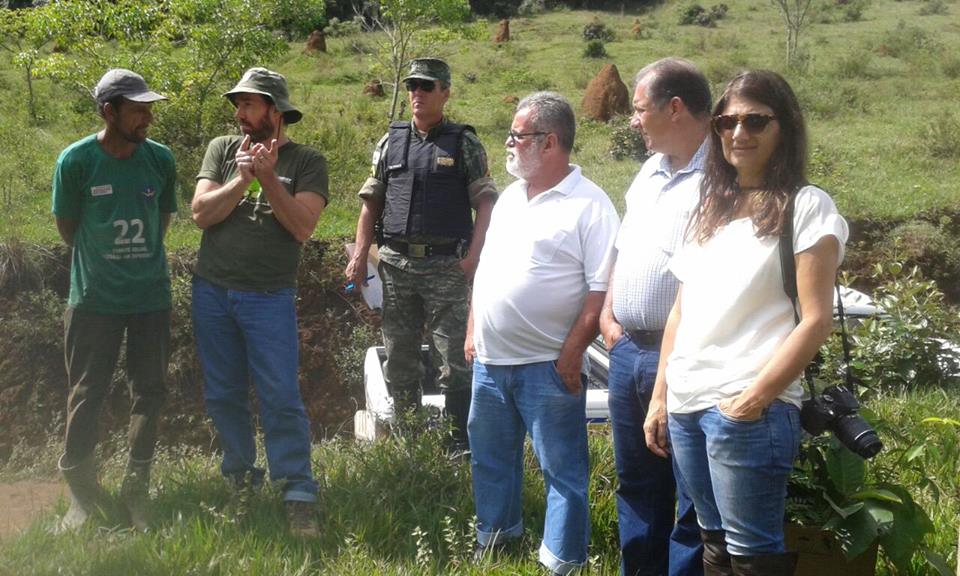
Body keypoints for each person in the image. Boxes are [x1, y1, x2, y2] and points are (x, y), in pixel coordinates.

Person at [644, 70, 848, 576]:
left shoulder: (806, 206)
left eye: (756, 120)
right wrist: (661, 396)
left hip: (746, 409)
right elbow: (680, 311)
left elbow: (816, 320)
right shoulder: (710, 208)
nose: (739, 133)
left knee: (753, 555)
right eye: (727, 121)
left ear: (785, 127)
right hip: (690, 406)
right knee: (712, 545)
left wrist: (752, 400)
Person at [467, 92, 619, 575]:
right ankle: (496, 540)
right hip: (491, 361)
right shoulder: (511, 198)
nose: (508, 143)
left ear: (549, 142)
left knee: (562, 471)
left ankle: (562, 562)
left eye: (517, 135)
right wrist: (474, 329)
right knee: (491, 458)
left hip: (548, 365)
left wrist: (572, 353)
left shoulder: (590, 205)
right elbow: (485, 270)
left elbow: (601, 290)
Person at [190, 67, 328, 537]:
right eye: (238, 103)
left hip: (269, 297)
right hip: (212, 292)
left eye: (249, 103)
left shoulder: (307, 162)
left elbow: (303, 228)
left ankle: (297, 492)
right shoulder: (223, 150)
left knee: (280, 396)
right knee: (224, 393)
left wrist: (270, 180)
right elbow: (200, 214)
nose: (239, 112)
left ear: (275, 110)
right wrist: (242, 180)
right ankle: (240, 482)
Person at [345, 57, 496, 450]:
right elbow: (370, 203)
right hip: (396, 265)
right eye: (413, 86)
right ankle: (411, 444)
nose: (417, 93)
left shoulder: (464, 143)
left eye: (426, 87)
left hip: (447, 265)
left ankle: (457, 445)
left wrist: (472, 260)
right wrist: (361, 254)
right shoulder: (390, 141)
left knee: (457, 363)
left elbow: (486, 204)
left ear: (445, 92)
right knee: (400, 360)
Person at [52, 68, 176, 532]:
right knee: (86, 393)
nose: (147, 117)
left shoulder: (160, 160)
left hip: (150, 298)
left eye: (150, 108)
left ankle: (135, 492)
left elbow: (161, 220)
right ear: (109, 111)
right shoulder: (76, 161)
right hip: (93, 301)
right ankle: (83, 498)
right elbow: (69, 229)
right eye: (138, 109)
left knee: (150, 391)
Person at [598, 58, 708, 576]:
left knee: (690, 494)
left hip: (686, 355)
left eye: (640, 110)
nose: (634, 120)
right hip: (627, 350)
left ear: (676, 108)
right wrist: (607, 317)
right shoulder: (650, 170)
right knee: (637, 486)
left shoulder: (721, 179)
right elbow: (624, 247)